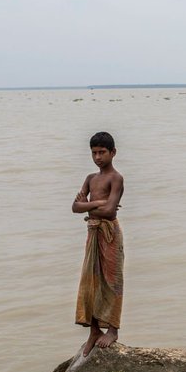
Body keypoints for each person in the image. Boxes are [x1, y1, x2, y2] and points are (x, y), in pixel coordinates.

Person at [71, 131, 125, 355]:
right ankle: (94, 329)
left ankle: (112, 329)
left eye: (102, 152)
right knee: (90, 281)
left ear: (113, 152)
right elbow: (74, 207)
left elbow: (110, 210)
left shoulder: (116, 178)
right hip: (92, 233)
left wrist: (91, 204)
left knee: (113, 280)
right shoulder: (90, 178)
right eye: (94, 153)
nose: (98, 157)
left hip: (109, 233)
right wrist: (99, 202)